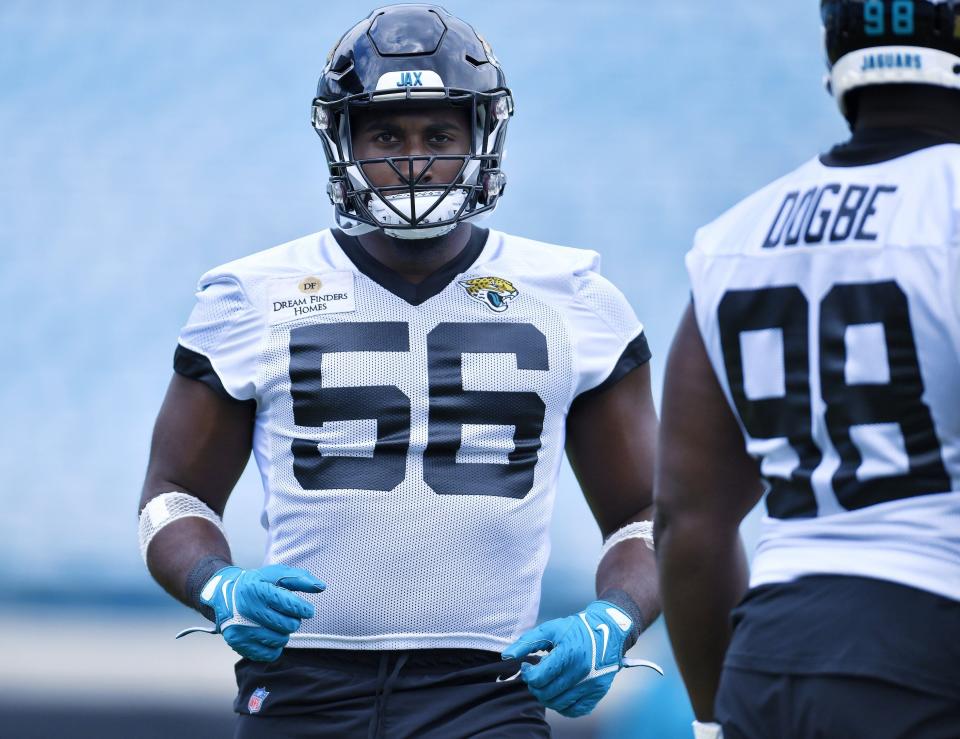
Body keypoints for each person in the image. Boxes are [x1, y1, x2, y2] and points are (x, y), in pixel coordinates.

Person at [138, 5, 661, 737]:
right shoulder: (251, 294)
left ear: (482, 137)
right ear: (343, 138)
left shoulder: (575, 297)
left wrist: (614, 618)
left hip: (487, 689)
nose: (413, 161)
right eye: (387, 134)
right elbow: (172, 496)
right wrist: (217, 584)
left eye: (439, 134)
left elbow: (651, 512)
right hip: (303, 685)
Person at [655, 1, 960, 737]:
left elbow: (687, 519)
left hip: (770, 659)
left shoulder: (737, 235)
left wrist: (713, 720)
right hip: (930, 643)